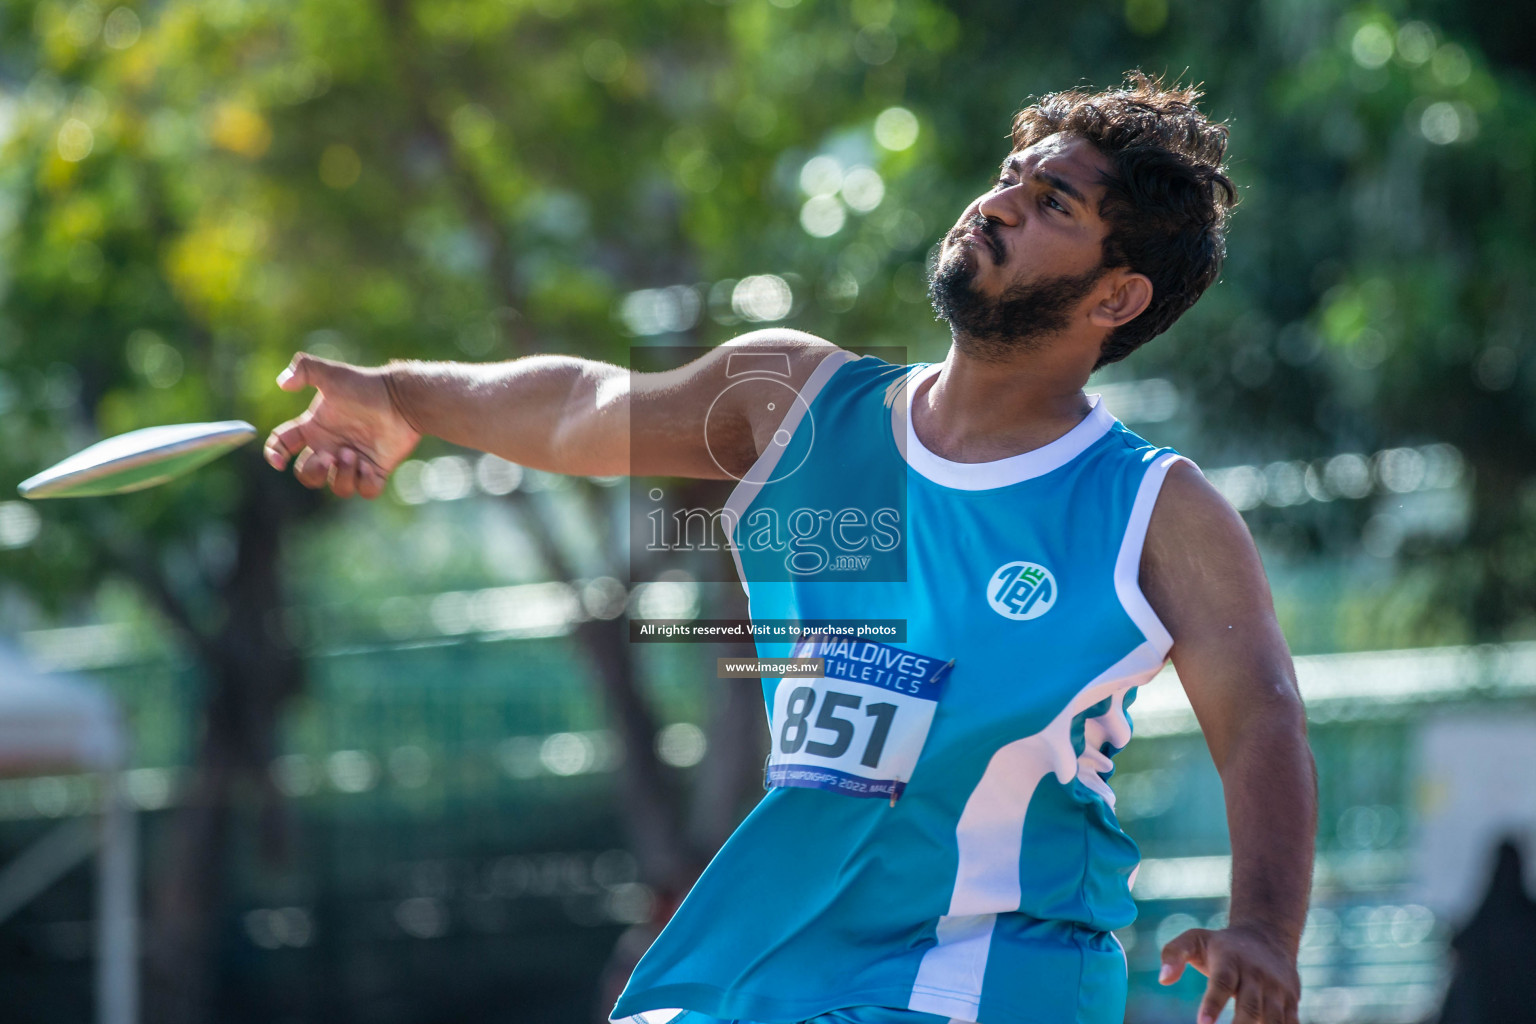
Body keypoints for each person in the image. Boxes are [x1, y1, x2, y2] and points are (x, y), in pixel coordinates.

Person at [265, 72, 1316, 1024]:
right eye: (1008, 179)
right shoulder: (798, 403)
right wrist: (403, 395)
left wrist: (1264, 926)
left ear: (1115, 295)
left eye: (1054, 206)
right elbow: (588, 406)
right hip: (768, 951)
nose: (996, 204)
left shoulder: (1149, 505)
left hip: (992, 965)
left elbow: (1261, 710)